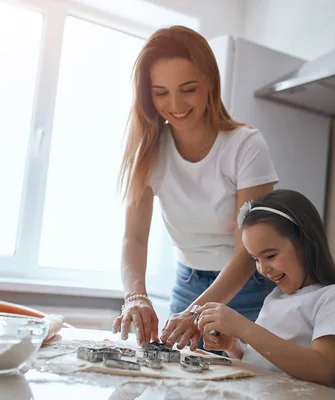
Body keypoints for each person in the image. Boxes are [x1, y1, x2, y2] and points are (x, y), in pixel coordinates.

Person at [111, 25, 278, 349]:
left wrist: (195, 312)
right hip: (188, 284)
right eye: (161, 92)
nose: (175, 104)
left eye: (187, 88)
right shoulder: (149, 151)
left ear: (210, 84)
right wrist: (135, 296)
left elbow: (248, 253)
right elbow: (134, 238)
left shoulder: (246, 146)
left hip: (250, 289)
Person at [195, 189, 335, 388]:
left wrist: (245, 328)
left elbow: (322, 370)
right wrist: (234, 347)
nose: (262, 269)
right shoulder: (276, 297)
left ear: (305, 242)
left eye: (270, 256)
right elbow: (266, 362)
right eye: (255, 259)